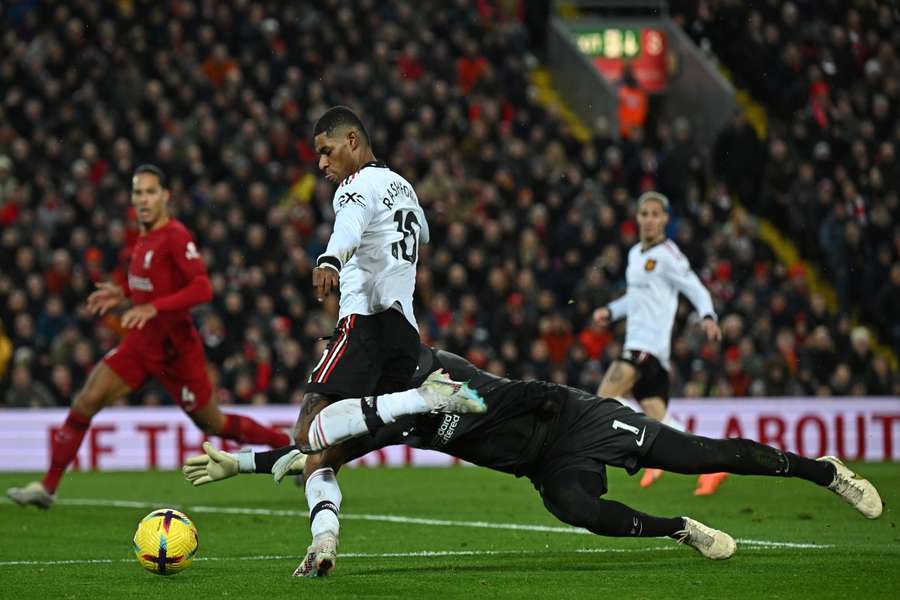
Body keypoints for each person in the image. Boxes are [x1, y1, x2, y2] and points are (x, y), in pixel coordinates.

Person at [183, 344, 883, 577]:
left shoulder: (445, 374)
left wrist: (549, 402)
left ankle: (824, 473)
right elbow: (318, 451)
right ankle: (677, 529)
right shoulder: (391, 413)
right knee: (578, 510)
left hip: (579, 418)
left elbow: (521, 396)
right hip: (545, 466)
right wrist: (242, 464)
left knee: (701, 452)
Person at [6, 164, 291, 509]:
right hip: (141, 345)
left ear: (165, 196)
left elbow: (202, 288)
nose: (143, 199)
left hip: (177, 352)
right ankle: (47, 487)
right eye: (138, 192)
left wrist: (154, 308)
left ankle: (286, 446)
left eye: (150, 192)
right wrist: (122, 293)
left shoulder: (175, 235)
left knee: (213, 422)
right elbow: (149, 281)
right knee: (85, 402)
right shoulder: (141, 238)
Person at [290, 105, 475, 571]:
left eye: (326, 151)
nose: (322, 165)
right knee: (323, 455)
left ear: (352, 141)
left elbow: (347, 227)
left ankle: (426, 399)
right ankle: (323, 542)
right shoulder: (404, 187)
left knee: (306, 432)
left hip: (365, 323)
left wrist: (331, 259)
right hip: (404, 333)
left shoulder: (355, 187)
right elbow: (422, 238)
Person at [593, 191, 726, 494]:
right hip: (648, 350)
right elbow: (635, 298)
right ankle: (712, 465)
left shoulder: (668, 255)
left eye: (656, 214)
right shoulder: (635, 255)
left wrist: (707, 315)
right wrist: (611, 311)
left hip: (646, 347)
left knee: (603, 399)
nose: (650, 220)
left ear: (666, 219)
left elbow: (696, 288)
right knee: (661, 421)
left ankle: (636, 453)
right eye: (644, 214)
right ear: (637, 218)